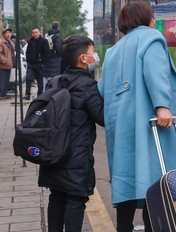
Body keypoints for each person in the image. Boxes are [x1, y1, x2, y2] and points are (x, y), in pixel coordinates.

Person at [98, 1, 176, 232]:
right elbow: (156, 74)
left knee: (126, 177)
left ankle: (124, 228)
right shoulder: (151, 38)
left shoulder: (114, 49)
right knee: (154, 175)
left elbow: (103, 89)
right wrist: (162, 106)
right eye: (152, 15)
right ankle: (152, 227)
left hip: (120, 124)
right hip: (147, 121)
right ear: (146, 18)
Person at [38, 35, 104, 232]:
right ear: (83, 58)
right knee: (75, 200)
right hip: (76, 156)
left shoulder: (54, 82)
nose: (95, 57)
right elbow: (102, 117)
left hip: (53, 153)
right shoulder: (87, 86)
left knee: (57, 196)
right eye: (93, 53)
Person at [24, 27, 50, 100]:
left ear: (39, 32)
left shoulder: (44, 41)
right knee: (28, 78)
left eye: (36, 32)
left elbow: (46, 52)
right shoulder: (30, 41)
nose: (35, 34)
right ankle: (27, 94)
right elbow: (28, 52)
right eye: (33, 33)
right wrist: (28, 60)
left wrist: (43, 62)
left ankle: (40, 95)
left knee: (40, 80)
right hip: (31, 64)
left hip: (39, 63)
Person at [0, 28, 15, 100]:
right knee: (2, 81)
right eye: (6, 33)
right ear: (3, 34)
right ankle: (1, 95)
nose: (8, 34)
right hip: (3, 65)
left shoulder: (10, 42)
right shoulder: (1, 42)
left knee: (6, 81)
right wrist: (4, 60)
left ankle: (4, 94)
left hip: (9, 65)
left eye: (9, 33)